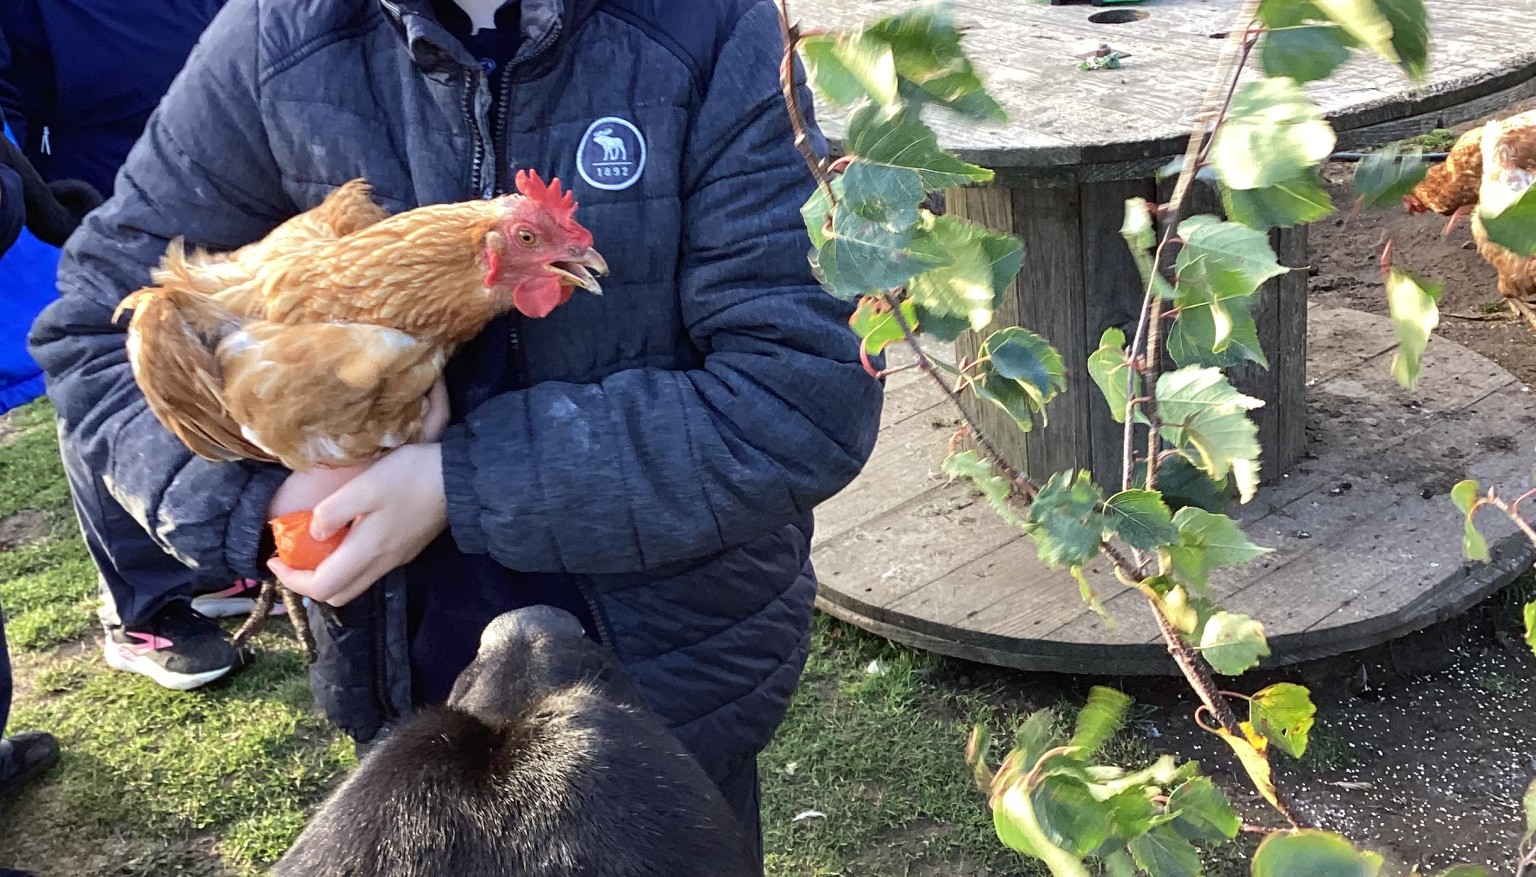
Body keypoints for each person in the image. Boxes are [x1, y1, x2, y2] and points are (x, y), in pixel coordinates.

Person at [28, 0, 884, 865]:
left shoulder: (710, 31)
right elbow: (96, 328)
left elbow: (802, 393)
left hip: (666, 681)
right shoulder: (281, 37)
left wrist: (455, 483)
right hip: (401, 684)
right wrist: (274, 494)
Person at [0, 0, 277, 693]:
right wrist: (42, 199)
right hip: (108, 211)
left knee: (226, 376)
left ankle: (217, 560)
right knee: (118, 388)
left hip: (226, 199)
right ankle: (145, 610)